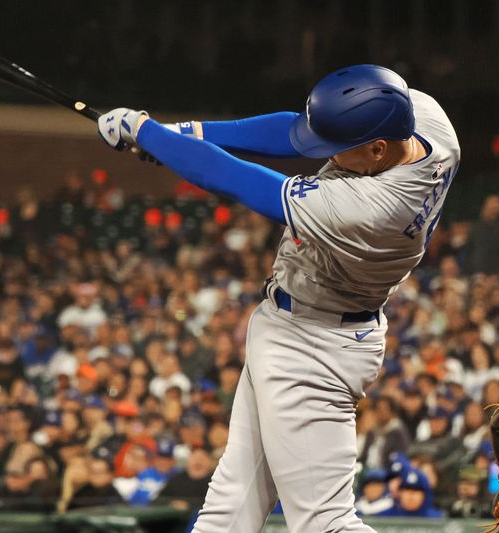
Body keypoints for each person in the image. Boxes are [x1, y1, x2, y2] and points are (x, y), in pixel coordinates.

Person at [98, 63, 460, 532]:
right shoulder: (427, 121)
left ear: (377, 148)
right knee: (229, 511)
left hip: (314, 344)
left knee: (324, 523)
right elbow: (294, 133)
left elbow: (230, 177)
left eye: (338, 150)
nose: (324, 154)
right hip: (307, 326)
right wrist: (182, 134)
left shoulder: (373, 211)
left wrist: (148, 133)